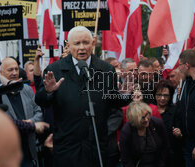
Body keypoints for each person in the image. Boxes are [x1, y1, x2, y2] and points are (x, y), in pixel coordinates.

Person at [35, 26, 129, 167]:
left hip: (97, 148)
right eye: (77, 43)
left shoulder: (106, 69)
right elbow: (41, 101)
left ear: (93, 43)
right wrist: (49, 92)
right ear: (68, 45)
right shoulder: (54, 70)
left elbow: (113, 102)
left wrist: (125, 95)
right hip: (67, 149)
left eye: (85, 42)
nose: (82, 48)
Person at [0, 57, 44, 167]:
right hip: (9, 153)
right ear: (1, 72)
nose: (14, 73)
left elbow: (39, 111)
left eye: (16, 69)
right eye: (10, 70)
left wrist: (31, 122)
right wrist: (27, 125)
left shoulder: (26, 89)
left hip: (30, 150)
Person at [120, 101, 169, 167]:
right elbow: (126, 159)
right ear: (134, 120)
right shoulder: (126, 131)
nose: (146, 119)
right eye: (142, 118)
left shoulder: (157, 123)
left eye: (147, 114)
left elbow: (165, 146)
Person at [154, 80, 184, 167]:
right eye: (159, 95)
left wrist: (179, 134)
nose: (162, 98)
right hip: (153, 155)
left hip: (171, 156)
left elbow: (181, 133)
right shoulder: (149, 110)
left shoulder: (175, 110)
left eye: (166, 95)